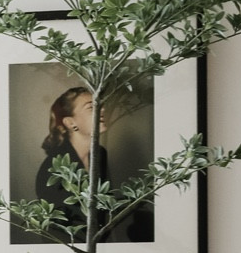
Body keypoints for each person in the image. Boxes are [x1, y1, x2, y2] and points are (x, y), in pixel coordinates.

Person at [33, 86, 153, 242]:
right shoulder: (53, 170)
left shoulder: (100, 154)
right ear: (70, 122)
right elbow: (62, 232)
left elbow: (103, 210)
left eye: (100, 105)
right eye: (91, 107)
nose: (102, 110)